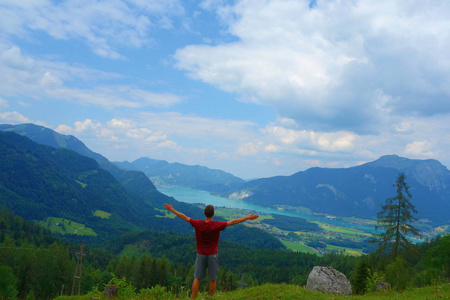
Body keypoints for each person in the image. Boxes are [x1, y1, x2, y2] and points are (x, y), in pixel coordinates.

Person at [164, 203, 259, 299]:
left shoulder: (198, 224)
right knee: (212, 279)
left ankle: (193, 298)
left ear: (204, 213)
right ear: (213, 214)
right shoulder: (217, 225)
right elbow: (233, 222)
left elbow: (184, 217)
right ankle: (211, 298)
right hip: (213, 255)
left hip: (201, 254)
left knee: (197, 278)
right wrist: (247, 217)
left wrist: (172, 210)